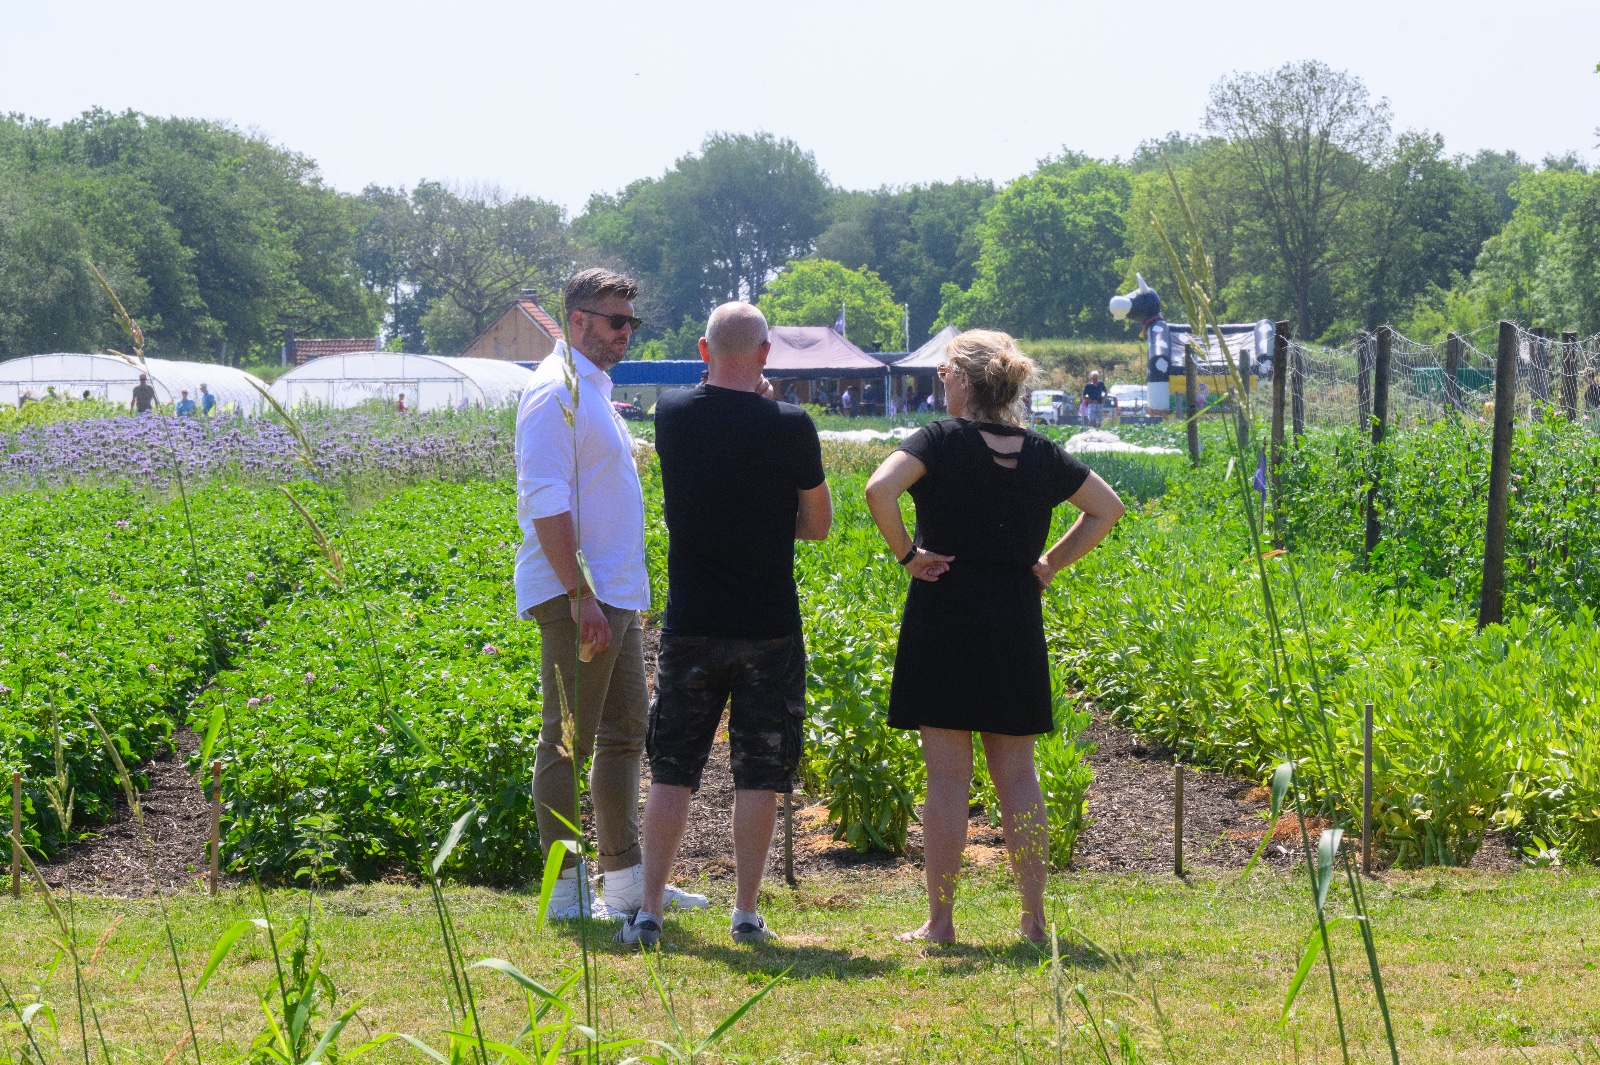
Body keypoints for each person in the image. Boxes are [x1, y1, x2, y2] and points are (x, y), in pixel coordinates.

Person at [863, 330, 1125, 945]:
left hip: (944, 612)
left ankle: (941, 922)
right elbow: (1107, 508)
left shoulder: (937, 440)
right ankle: (1033, 920)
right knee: (1019, 775)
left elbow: (879, 489)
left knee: (947, 779)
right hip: (1014, 617)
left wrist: (909, 556)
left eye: (944, 372)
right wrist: (1051, 564)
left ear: (963, 379)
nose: (941, 382)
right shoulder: (1042, 452)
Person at [616, 302, 832, 948]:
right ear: (766, 354)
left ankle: (649, 910)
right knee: (759, 772)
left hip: (692, 621)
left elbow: (712, 408)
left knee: (672, 768)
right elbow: (818, 525)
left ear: (703, 351)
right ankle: (744, 911)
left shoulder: (672, 414)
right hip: (768, 624)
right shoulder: (792, 426)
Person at [516, 267, 707, 921]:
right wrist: (578, 593)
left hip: (612, 595)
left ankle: (625, 882)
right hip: (581, 594)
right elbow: (544, 498)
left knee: (625, 734)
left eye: (632, 322)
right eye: (616, 321)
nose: (627, 333)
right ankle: (565, 893)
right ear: (578, 320)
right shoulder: (555, 391)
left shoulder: (591, 388)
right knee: (567, 740)